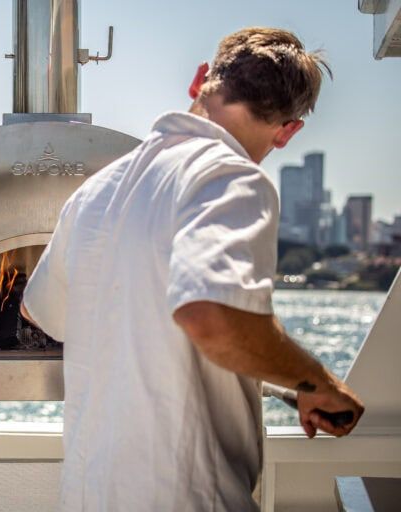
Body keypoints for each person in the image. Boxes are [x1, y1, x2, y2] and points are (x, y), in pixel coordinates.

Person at [20, 27, 364, 511]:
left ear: (200, 79)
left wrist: (285, 379)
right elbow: (209, 316)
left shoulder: (96, 191)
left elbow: (40, 312)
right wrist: (317, 382)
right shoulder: (234, 178)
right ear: (288, 131)